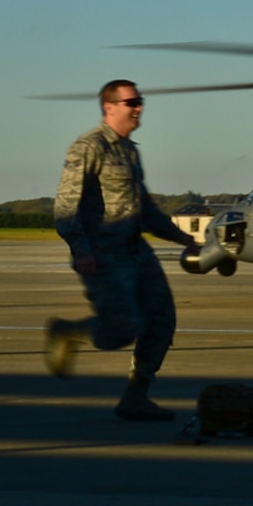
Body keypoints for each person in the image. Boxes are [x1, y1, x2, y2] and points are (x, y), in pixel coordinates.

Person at [45, 80, 201, 421]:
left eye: (140, 101)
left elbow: (144, 208)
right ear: (109, 107)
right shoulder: (87, 147)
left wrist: (181, 238)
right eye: (131, 102)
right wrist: (81, 249)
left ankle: (135, 398)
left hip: (136, 250)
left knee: (161, 322)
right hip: (103, 253)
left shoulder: (130, 151)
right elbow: (65, 206)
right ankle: (71, 331)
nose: (138, 108)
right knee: (121, 328)